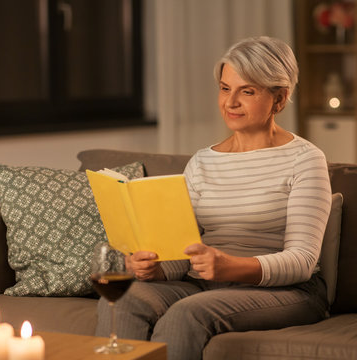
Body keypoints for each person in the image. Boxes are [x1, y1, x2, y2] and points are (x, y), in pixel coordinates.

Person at [95, 36, 332, 360]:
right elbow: (185, 251)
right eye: (224, 88)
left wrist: (228, 266)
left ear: (279, 99)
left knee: (186, 314)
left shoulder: (305, 159)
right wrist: (156, 269)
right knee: (125, 298)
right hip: (205, 285)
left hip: (286, 291)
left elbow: (302, 261)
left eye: (246, 91)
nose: (230, 102)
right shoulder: (202, 162)